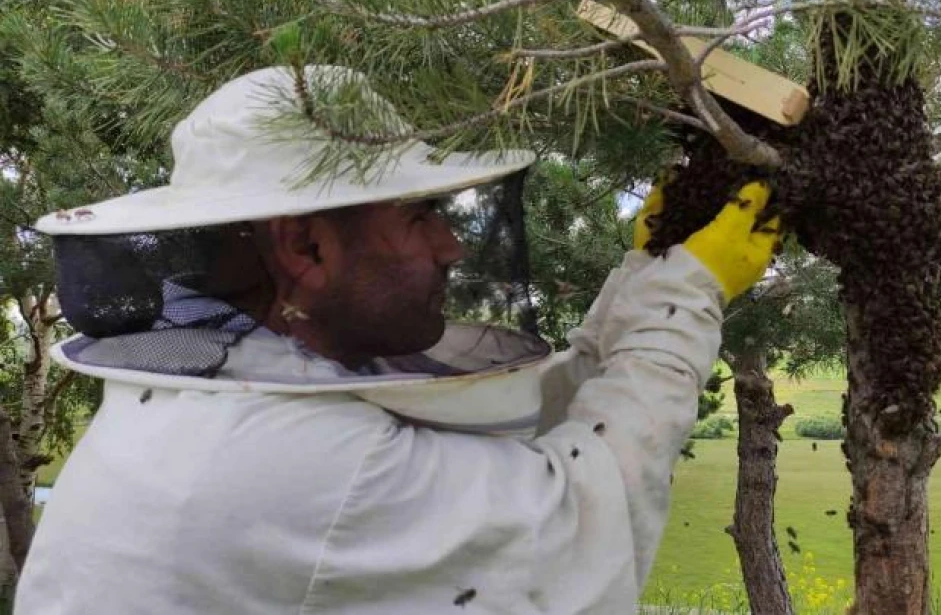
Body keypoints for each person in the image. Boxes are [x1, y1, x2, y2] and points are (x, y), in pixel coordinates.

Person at [16, 66, 779, 614]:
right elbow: (584, 512)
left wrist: (638, 278)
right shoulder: (297, 459)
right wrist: (686, 292)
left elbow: (509, 420)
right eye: (419, 216)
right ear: (305, 249)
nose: (451, 245)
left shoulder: (251, 368)